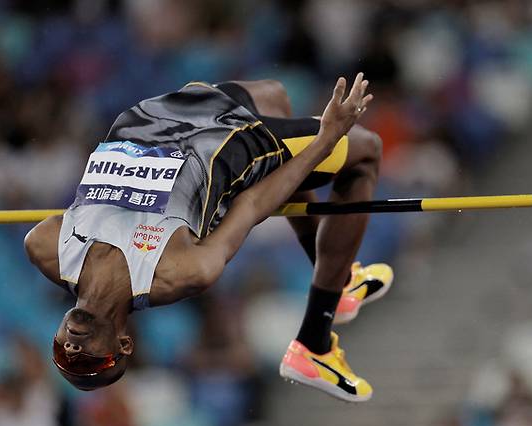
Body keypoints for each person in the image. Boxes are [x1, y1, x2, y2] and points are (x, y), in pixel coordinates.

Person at [24, 73, 393, 401]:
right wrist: (324, 141)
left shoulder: (46, 249)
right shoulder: (179, 272)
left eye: (62, 354)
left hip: (156, 119)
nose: (73, 348)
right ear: (124, 343)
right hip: (228, 146)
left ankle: (337, 279)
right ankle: (314, 343)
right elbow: (251, 206)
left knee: (275, 95)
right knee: (366, 150)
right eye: (89, 360)